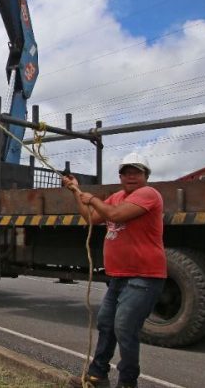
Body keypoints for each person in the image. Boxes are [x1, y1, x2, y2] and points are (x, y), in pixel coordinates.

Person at [63, 153, 166, 388]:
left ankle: (128, 383)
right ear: (120, 176)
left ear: (146, 175)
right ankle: (97, 376)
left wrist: (93, 199)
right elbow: (91, 218)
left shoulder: (148, 194)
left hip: (144, 276)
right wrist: (76, 192)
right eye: (126, 172)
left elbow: (115, 215)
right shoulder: (118, 196)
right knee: (106, 323)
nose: (131, 176)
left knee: (124, 326)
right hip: (119, 276)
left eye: (136, 172)